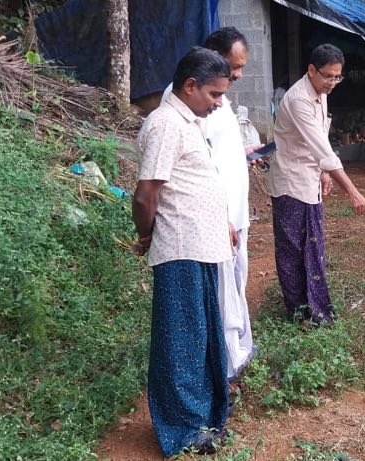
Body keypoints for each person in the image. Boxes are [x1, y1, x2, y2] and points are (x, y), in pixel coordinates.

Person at [134, 47, 236, 456]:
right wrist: (146, 237)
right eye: (215, 94)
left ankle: (202, 417)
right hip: (179, 248)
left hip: (199, 248)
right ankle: (183, 429)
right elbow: (145, 195)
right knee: (181, 343)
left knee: (200, 337)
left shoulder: (186, 122)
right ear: (190, 86)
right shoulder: (165, 124)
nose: (219, 103)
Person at [160, 27, 254, 382]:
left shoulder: (218, 97)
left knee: (235, 286)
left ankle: (236, 354)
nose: (238, 74)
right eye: (234, 65)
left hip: (234, 213)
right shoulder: (186, 101)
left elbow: (215, 150)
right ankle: (224, 365)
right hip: (213, 219)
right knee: (221, 293)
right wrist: (222, 217)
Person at [269, 43, 365, 325]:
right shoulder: (298, 100)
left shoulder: (321, 93)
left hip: (309, 180)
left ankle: (316, 309)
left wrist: (323, 173)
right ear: (311, 70)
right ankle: (298, 312)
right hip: (291, 182)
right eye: (328, 76)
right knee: (292, 250)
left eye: (337, 77)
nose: (332, 82)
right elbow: (323, 150)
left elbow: (319, 141)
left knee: (313, 246)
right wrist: (353, 192)